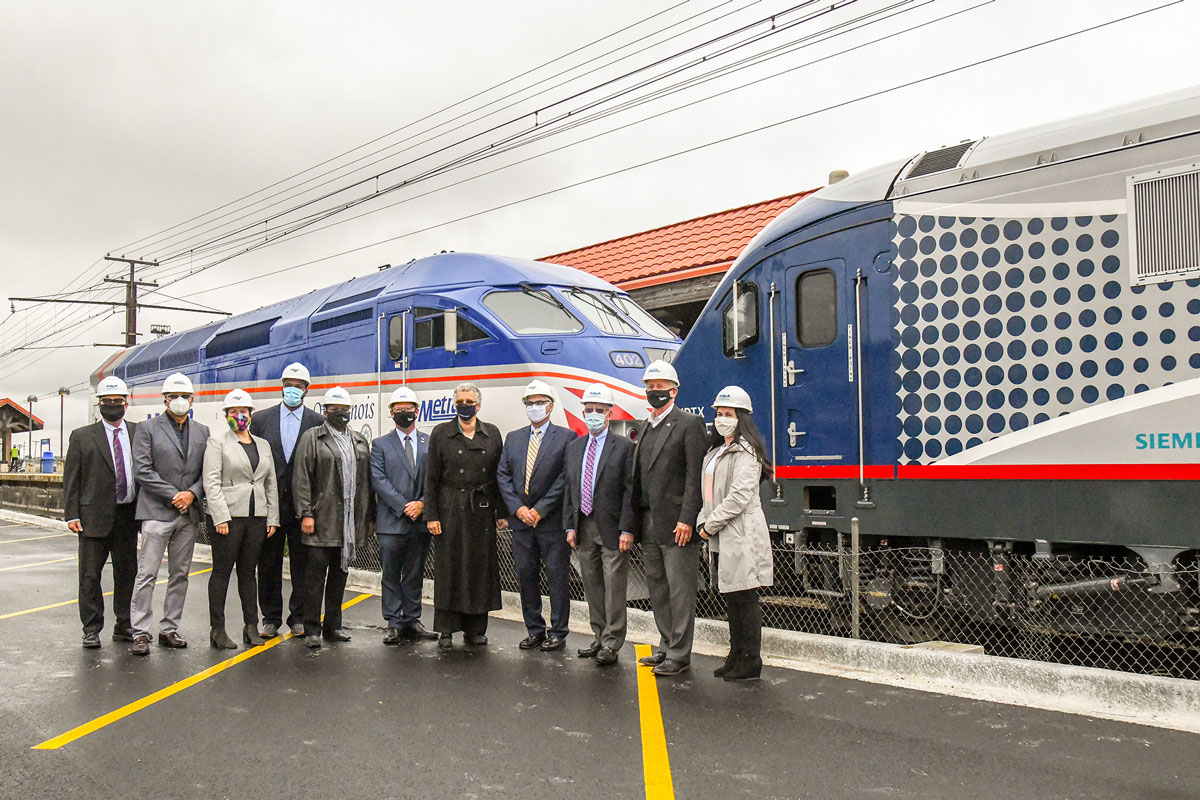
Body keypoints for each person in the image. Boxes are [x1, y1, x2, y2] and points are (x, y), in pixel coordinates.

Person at [631, 360, 707, 677]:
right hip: (649, 522)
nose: (654, 391)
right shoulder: (646, 426)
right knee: (658, 590)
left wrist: (687, 518)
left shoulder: (689, 424)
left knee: (680, 592)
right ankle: (666, 645)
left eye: (660, 387)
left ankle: (680, 653)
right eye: (650, 387)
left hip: (677, 523)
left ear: (674, 391)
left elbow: (694, 476)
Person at [696, 386, 774, 682]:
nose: (722, 419)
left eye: (728, 414)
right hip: (722, 534)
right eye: (719, 413)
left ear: (742, 418)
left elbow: (738, 497)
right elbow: (708, 495)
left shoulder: (747, 452)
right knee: (731, 597)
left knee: (745, 596)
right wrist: (703, 520)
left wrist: (709, 525)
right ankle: (735, 655)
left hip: (741, 534)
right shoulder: (714, 453)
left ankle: (751, 660)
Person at [129, 372, 210, 655]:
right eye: (174, 396)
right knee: (147, 574)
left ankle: (169, 628)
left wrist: (192, 494)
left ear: (192, 399)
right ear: (164, 399)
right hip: (156, 512)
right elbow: (142, 470)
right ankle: (140, 631)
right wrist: (174, 495)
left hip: (188, 515)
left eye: (184, 396)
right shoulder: (147, 428)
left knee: (180, 574)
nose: (179, 400)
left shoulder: (203, 431)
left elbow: (208, 471)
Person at [424, 382, 505, 649]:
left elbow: (499, 476)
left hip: (481, 510)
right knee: (449, 569)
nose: (464, 406)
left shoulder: (492, 433)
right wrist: (431, 515)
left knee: (479, 570)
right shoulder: (441, 433)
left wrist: (501, 512)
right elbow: (431, 477)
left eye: (469, 402)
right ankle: (446, 630)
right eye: (460, 402)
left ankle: (475, 629)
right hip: (449, 509)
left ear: (478, 405)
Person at [292, 386, 373, 648]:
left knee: (339, 577)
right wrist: (306, 513)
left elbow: (367, 483)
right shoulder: (312, 437)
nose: (341, 413)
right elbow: (302, 478)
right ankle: (312, 628)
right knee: (315, 578)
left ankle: (333, 626)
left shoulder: (358, 440)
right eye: (335, 409)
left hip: (348, 525)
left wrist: (368, 518)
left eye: (345, 409)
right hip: (320, 520)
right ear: (325, 411)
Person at [497, 380, 575, 652]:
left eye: (540, 402)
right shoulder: (514, 438)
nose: (534, 407)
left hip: (551, 523)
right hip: (522, 523)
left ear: (550, 406)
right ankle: (534, 629)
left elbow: (565, 478)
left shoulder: (566, 437)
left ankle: (558, 631)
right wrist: (518, 508)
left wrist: (541, 509)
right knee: (526, 575)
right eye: (530, 403)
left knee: (557, 577)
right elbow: (503, 475)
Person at [63, 376, 139, 649]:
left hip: (128, 516)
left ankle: (124, 625)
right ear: (99, 404)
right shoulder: (82, 436)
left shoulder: (139, 433)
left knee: (127, 574)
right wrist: (71, 514)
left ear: (126, 403)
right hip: (92, 518)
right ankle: (91, 628)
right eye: (107, 401)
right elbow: (72, 479)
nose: (112, 405)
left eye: (117, 401)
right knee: (90, 576)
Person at [563, 383, 636, 666]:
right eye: (589, 409)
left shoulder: (624, 447)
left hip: (612, 529)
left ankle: (612, 642)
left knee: (614, 588)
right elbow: (570, 489)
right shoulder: (575, 448)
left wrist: (627, 528)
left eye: (599, 410)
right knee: (592, 585)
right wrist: (570, 526)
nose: (593, 414)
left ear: (609, 413)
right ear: (583, 413)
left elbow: (630, 491)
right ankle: (599, 635)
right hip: (583, 526)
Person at [249, 362, 324, 638]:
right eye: (288, 385)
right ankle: (270, 618)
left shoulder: (317, 422)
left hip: (303, 507)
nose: (292, 389)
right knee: (268, 563)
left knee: (302, 563)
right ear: (281, 386)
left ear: (306, 390)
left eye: (298, 386)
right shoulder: (261, 420)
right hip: (270, 506)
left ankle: (298, 617)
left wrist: (312, 508)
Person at [202, 389, 280, 649]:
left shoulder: (263, 445)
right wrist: (220, 517)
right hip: (228, 519)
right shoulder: (217, 443)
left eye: (243, 412)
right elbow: (211, 483)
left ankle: (251, 626)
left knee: (248, 573)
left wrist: (272, 517)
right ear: (226, 415)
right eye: (234, 412)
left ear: (251, 414)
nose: (239, 416)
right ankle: (218, 629)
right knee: (222, 572)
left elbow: (270, 483)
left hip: (256, 518)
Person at [370, 386, 437, 645]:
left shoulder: (430, 442)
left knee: (414, 573)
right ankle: (393, 622)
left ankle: (412, 619)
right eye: (399, 409)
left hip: (419, 521)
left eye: (408, 409)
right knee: (390, 574)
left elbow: (436, 479)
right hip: (392, 521)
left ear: (417, 411)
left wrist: (422, 504)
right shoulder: (380, 444)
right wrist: (404, 506)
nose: (404, 413)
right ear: (391, 413)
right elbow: (379, 480)